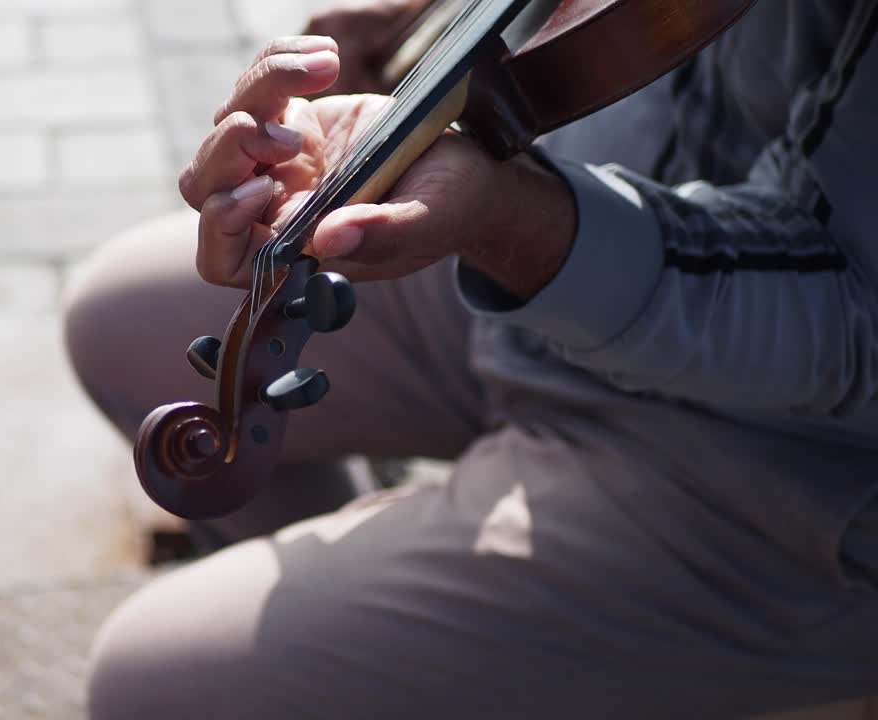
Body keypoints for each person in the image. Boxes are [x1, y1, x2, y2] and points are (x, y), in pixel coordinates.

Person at [64, 0, 878, 716]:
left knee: (157, 685)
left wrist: (513, 225)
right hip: (569, 183)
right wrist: (424, 14)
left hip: (781, 474)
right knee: (116, 321)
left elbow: (852, 319)